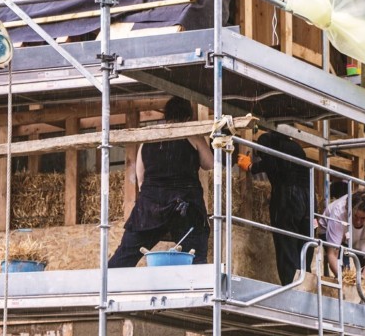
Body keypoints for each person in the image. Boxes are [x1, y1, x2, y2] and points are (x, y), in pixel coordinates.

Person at [108, 96, 214, 268]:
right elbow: (209, 164)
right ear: (188, 117)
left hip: (151, 207)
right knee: (196, 257)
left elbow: (141, 179)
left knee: (125, 256)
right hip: (185, 206)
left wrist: (155, 198)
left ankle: (108, 285)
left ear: (166, 115)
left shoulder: (150, 138)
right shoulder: (192, 135)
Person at [237, 131, 312, 285]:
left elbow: (272, 162)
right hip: (308, 198)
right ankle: (305, 284)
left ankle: (290, 286)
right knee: (305, 245)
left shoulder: (267, 139)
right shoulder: (295, 146)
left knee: (286, 243)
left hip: (287, 195)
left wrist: (252, 166)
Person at [317, 187, 365, 310]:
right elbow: (332, 255)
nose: (358, 221)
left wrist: (360, 283)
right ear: (350, 210)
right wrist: (345, 281)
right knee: (344, 268)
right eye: (356, 216)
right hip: (336, 232)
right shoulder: (339, 211)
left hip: (359, 239)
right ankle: (344, 311)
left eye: (363, 218)